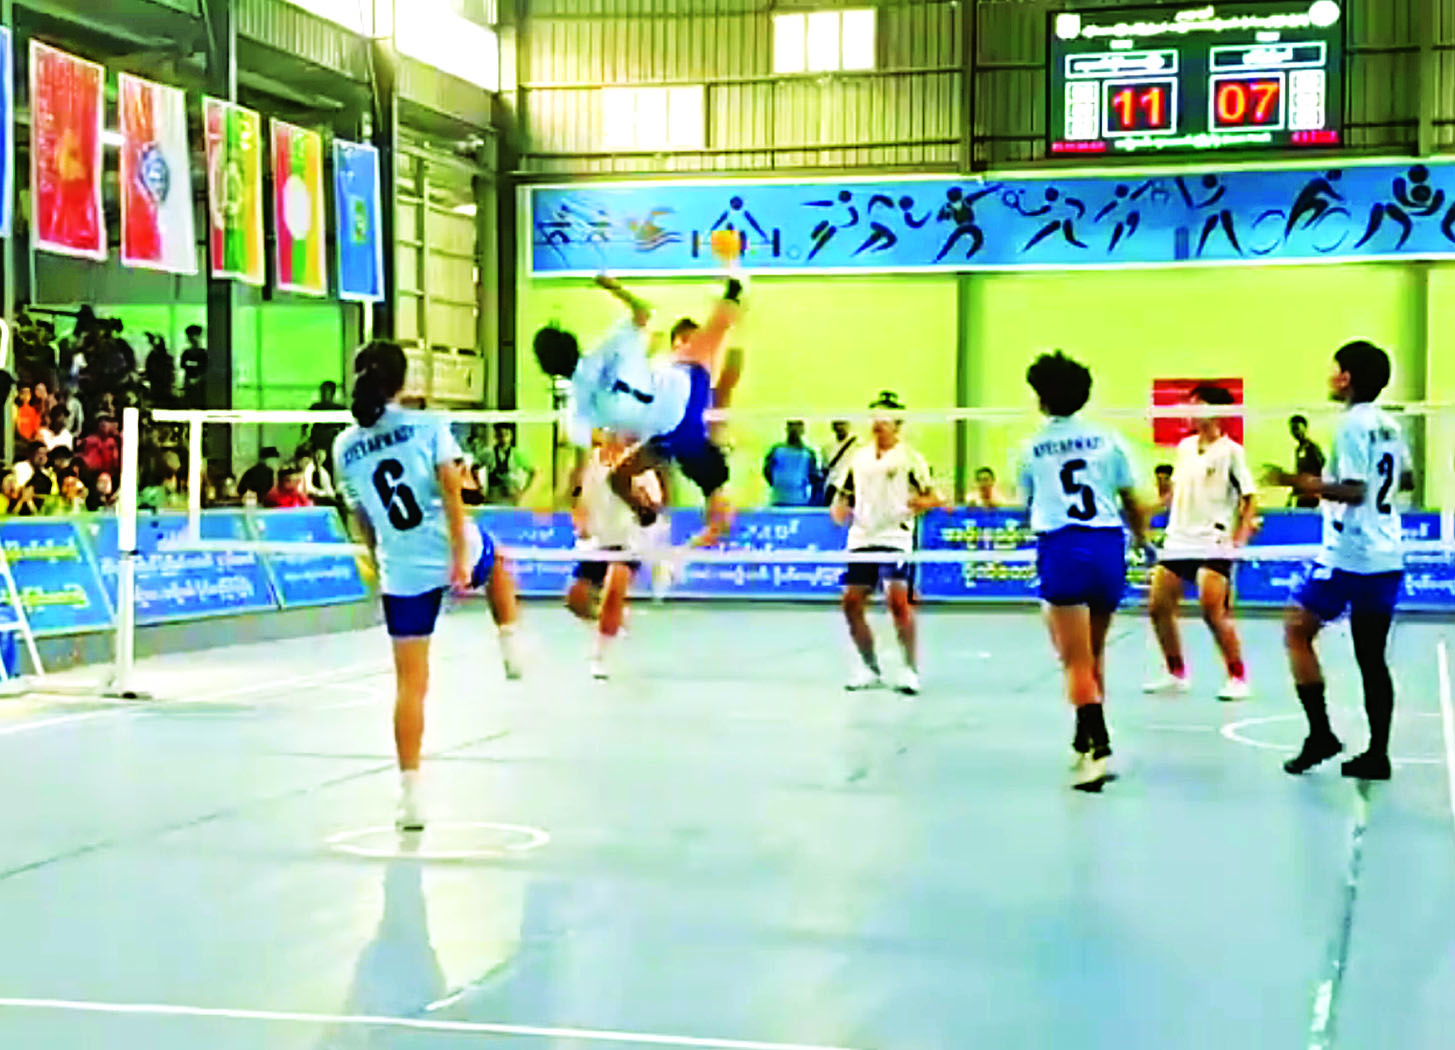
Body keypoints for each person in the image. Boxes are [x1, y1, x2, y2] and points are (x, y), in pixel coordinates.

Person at [333, 340, 524, 832]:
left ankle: (411, 797)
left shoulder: (343, 446)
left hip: (401, 569)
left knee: (410, 687)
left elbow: (361, 516)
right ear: (403, 381)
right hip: (443, 546)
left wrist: (377, 560)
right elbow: (452, 490)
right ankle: (509, 643)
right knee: (500, 560)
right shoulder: (428, 425)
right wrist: (460, 555)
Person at [1264, 341, 1412, 781]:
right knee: (1372, 658)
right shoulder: (1390, 424)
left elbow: (1354, 490)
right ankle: (1377, 754)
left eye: (1335, 370)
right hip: (1386, 553)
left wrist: (1296, 481)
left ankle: (1321, 733)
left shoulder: (1350, 425)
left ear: (1346, 378)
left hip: (1349, 555)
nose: (1329, 377)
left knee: (1296, 631)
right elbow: (1406, 478)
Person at [532, 270, 745, 547]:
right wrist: (613, 288)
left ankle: (648, 519)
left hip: (663, 428)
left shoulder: (578, 405)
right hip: (682, 392)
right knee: (707, 340)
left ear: (549, 370)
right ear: (572, 342)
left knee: (620, 479)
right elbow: (643, 311)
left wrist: (614, 438)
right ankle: (735, 291)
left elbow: (585, 441)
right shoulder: (609, 347)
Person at [1018, 351, 1147, 792]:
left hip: (1064, 546)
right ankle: (1083, 737)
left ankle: (1101, 752)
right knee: (1092, 653)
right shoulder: (1109, 439)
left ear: (1041, 398)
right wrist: (1144, 540)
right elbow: (1132, 499)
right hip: (1108, 545)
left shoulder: (1032, 447)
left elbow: (1025, 505)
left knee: (1074, 659)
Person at [1144, 385, 1258, 700]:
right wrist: (1147, 509)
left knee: (1212, 611)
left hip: (1213, 540)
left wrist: (1240, 539)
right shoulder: (1184, 448)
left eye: (1198, 405)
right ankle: (1175, 673)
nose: (1191, 411)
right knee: (1158, 607)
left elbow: (1250, 498)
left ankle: (1237, 676)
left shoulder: (1232, 452)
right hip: (1178, 539)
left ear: (1217, 412)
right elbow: (1176, 494)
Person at [831, 393, 941, 696]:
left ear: (897, 424)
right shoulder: (859, 458)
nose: (878, 424)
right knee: (851, 603)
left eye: (885, 419)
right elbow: (844, 493)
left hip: (895, 536)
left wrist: (920, 503)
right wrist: (839, 508)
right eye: (875, 419)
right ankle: (869, 668)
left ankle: (909, 669)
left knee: (897, 602)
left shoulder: (910, 459)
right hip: (862, 537)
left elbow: (934, 496)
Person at [565, 432, 662, 679]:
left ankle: (600, 657)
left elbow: (653, 509)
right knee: (576, 600)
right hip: (600, 542)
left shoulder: (638, 466)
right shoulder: (591, 463)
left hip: (630, 542)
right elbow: (580, 499)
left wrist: (639, 499)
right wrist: (581, 522)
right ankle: (612, 621)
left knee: (614, 585)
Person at [762, 420, 819, 507]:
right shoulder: (776, 450)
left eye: (797, 427)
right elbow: (767, 470)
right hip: (780, 498)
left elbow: (813, 476)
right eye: (792, 427)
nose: (794, 430)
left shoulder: (808, 452)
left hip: (797, 499)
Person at [483, 423, 536, 505]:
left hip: (512, 497)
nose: (503, 438)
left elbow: (534, 472)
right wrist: (478, 488)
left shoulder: (518, 454)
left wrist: (524, 492)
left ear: (511, 436)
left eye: (506, 435)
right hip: (493, 498)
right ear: (495, 436)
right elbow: (473, 468)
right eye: (500, 435)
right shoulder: (487, 453)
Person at [1288, 414, 1325, 509]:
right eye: (1292, 429)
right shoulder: (1298, 450)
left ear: (1305, 428)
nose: (1295, 432)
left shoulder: (1313, 448)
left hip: (1312, 497)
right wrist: (1293, 493)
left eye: (1297, 428)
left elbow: (1322, 468)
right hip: (1302, 496)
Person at [307, 380, 347, 464]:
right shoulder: (315, 407)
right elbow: (305, 425)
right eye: (322, 391)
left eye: (326, 391)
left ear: (332, 393)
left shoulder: (340, 409)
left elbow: (344, 428)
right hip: (318, 443)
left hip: (332, 443)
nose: (323, 394)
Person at [819, 420, 857, 505]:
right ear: (833, 426)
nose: (840, 427)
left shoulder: (858, 445)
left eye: (842, 423)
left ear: (848, 425)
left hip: (851, 488)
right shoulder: (827, 447)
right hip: (832, 487)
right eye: (837, 424)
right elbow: (824, 468)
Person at [181, 325, 208, 407]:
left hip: (200, 383)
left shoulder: (204, 353)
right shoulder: (186, 352)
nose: (192, 338)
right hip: (188, 382)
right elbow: (182, 365)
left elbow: (205, 367)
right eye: (190, 336)